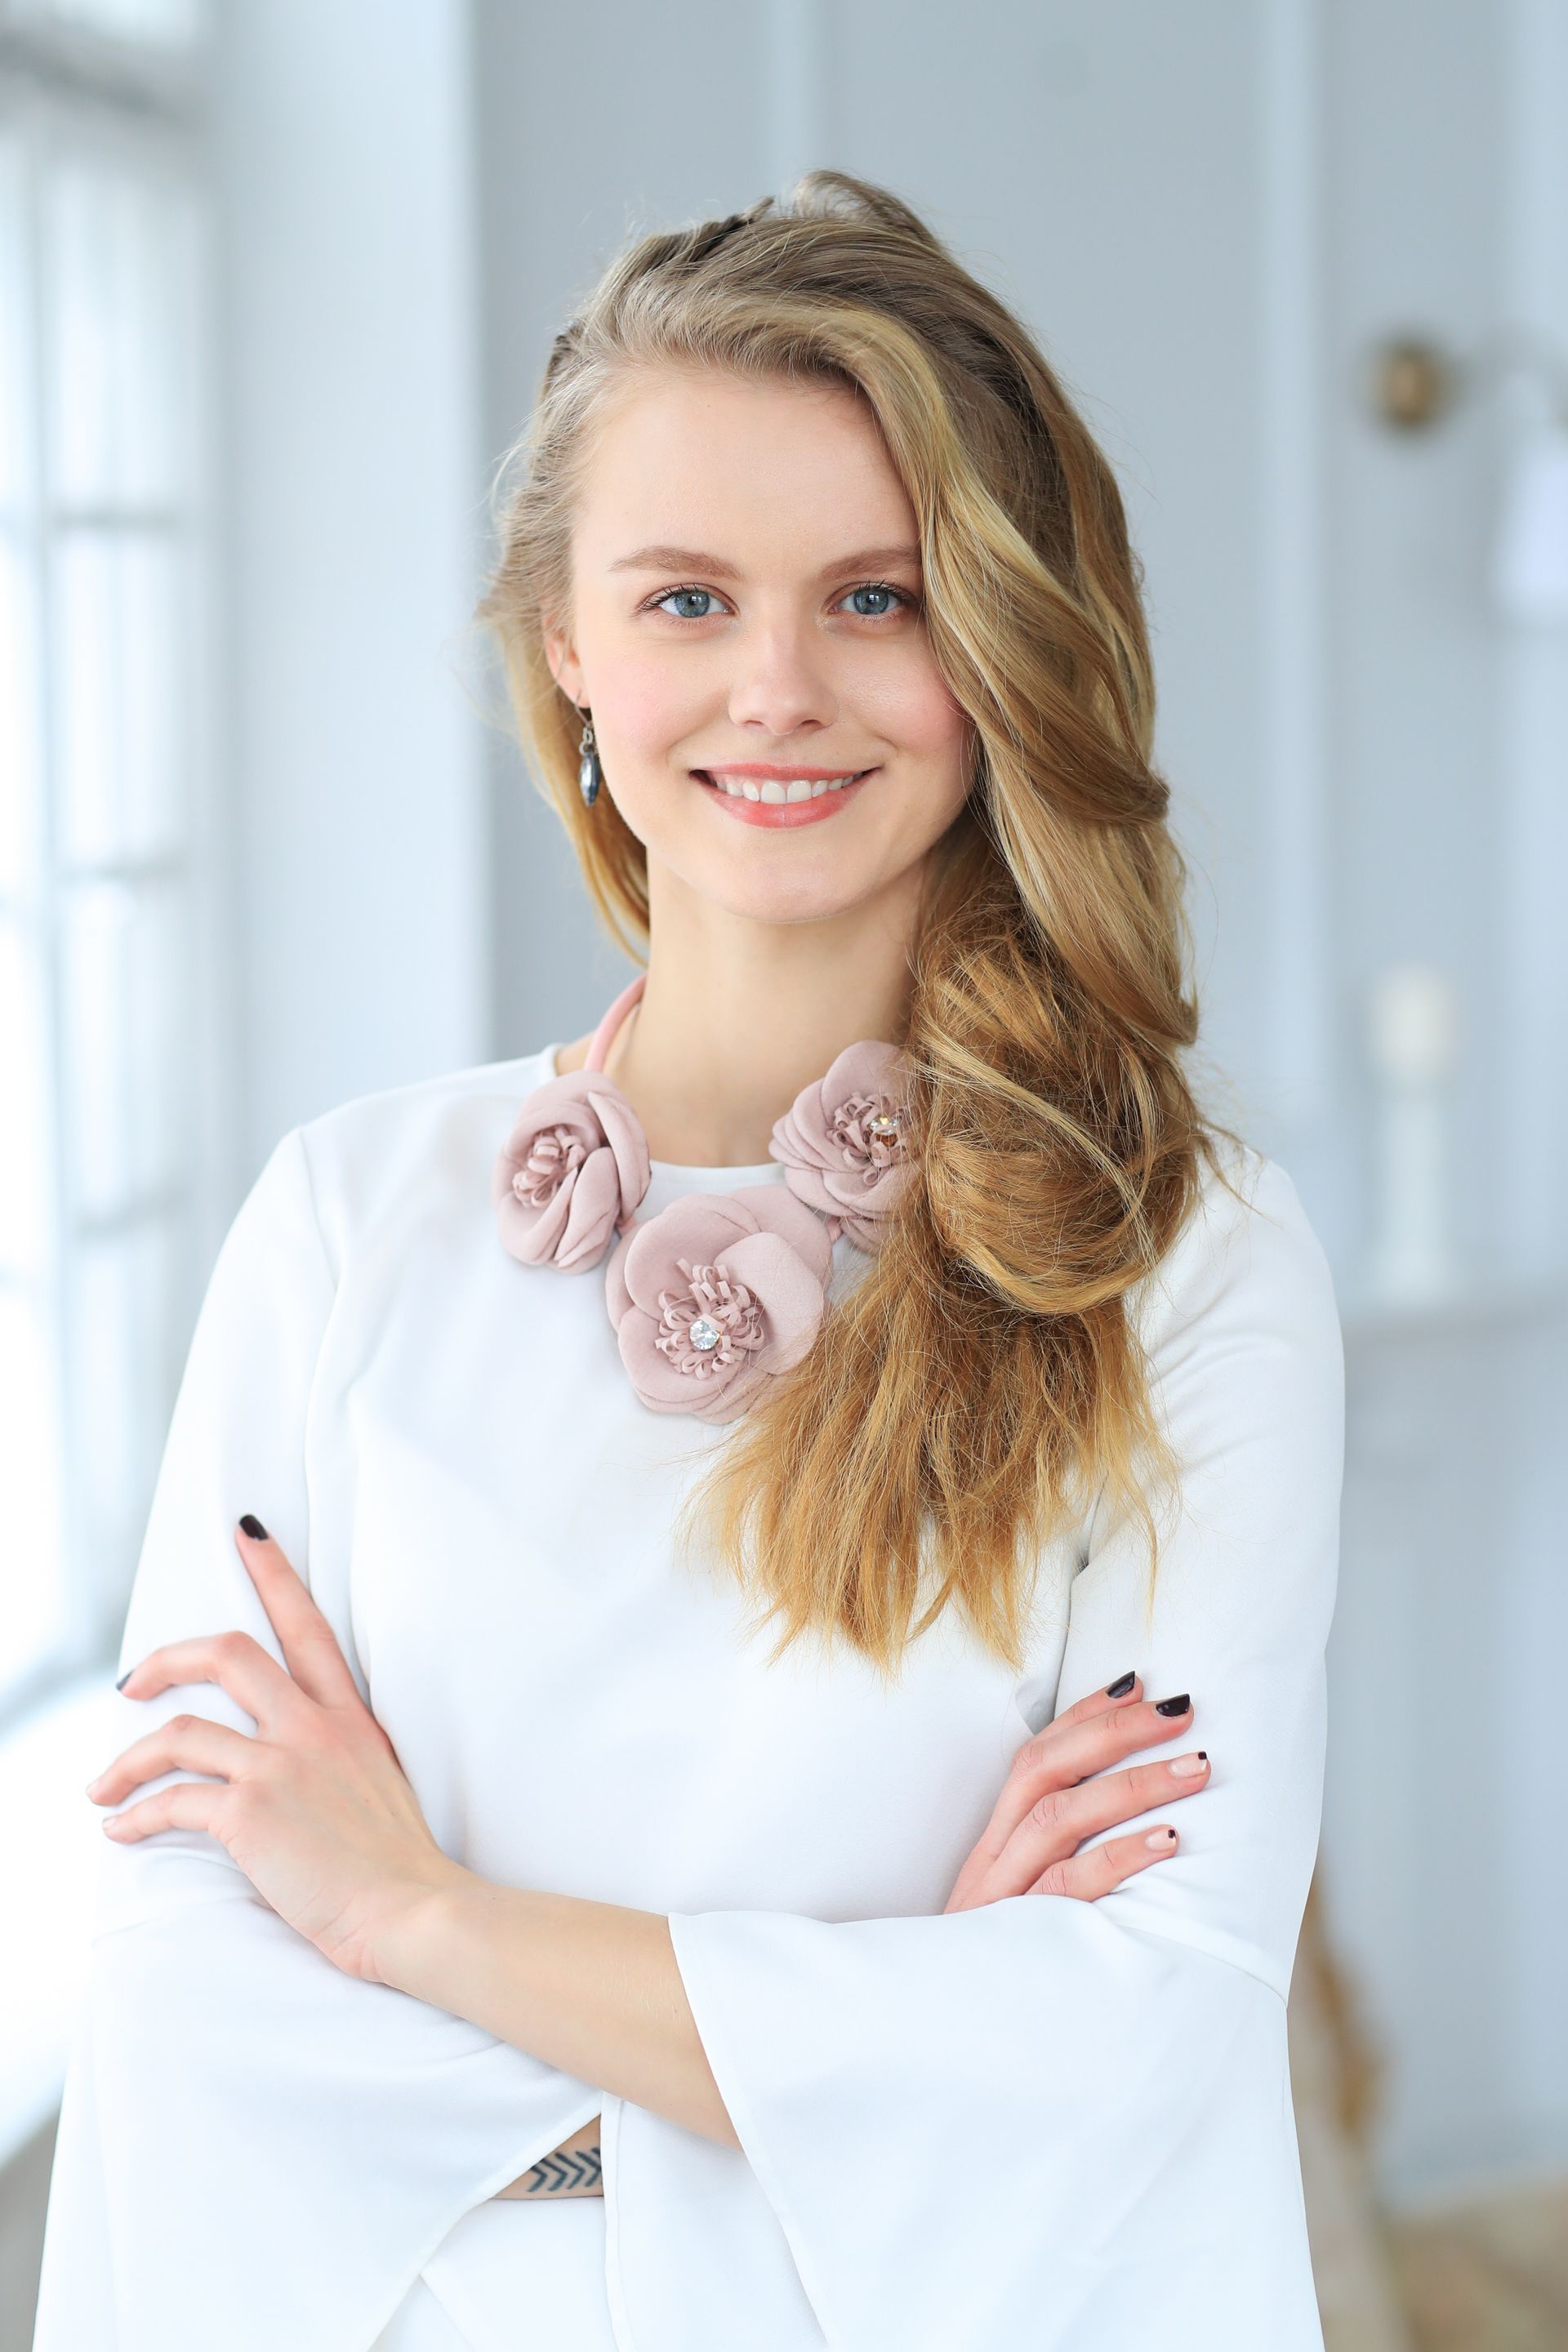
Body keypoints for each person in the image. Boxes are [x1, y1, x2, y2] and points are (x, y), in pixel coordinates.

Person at [33, 172, 1343, 2352]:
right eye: (683, 602)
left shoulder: (1185, 1263)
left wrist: (419, 1920)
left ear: (1003, 638)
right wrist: (885, 2030)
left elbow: (1142, 2041)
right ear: (562, 638)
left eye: (876, 597)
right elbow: (192, 2031)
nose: (779, 693)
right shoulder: (348, 1225)